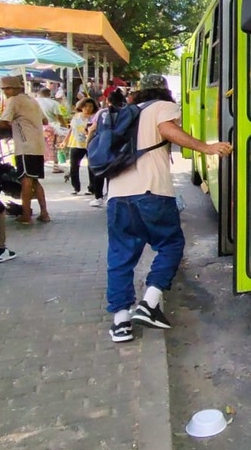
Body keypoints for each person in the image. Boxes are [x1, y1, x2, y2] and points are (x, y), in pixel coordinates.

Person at [105, 74, 232, 343]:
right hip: (151, 192)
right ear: (163, 91)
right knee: (171, 244)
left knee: (120, 257)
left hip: (117, 195)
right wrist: (206, 148)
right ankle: (150, 302)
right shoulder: (161, 107)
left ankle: (121, 322)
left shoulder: (123, 113)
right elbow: (167, 130)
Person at [0, 75, 51, 224]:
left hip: (25, 146)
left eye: (8, 88)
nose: (5, 92)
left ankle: (26, 215)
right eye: (4, 89)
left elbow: (3, 123)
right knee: (34, 180)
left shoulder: (14, 100)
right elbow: (45, 120)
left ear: (17, 88)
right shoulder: (32, 100)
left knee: (26, 180)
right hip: (37, 145)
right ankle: (44, 213)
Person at [85, 89, 125, 208]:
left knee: (99, 170)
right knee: (113, 171)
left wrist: (88, 143)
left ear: (108, 101)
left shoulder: (102, 112)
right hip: (118, 145)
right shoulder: (125, 112)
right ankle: (111, 195)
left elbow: (92, 129)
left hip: (101, 143)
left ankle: (98, 197)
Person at [65, 97, 97, 195]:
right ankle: (76, 187)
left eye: (90, 106)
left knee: (91, 166)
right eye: (85, 106)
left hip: (91, 144)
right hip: (76, 144)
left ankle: (92, 188)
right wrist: (65, 140)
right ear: (81, 107)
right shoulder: (76, 116)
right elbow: (71, 129)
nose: (88, 108)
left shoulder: (95, 117)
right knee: (74, 166)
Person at [36, 87, 67, 174]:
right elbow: (59, 117)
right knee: (53, 147)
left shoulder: (34, 101)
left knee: (38, 147)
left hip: (37, 127)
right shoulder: (53, 103)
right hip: (52, 128)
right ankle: (55, 167)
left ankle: (38, 167)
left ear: (39, 94)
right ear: (49, 94)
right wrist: (65, 127)